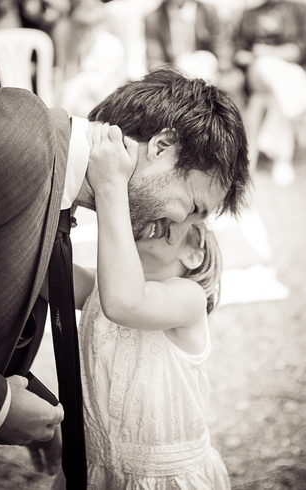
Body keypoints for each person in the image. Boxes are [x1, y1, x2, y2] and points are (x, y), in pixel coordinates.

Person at [0, 67, 250, 475]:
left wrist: (21, 397)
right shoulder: (18, 135)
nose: (183, 224)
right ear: (162, 147)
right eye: (194, 206)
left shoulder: (54, 190)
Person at [50, 122, 231, 489]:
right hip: (98, 469)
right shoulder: (102, 288)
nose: (163, 221)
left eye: (176, 223)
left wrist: (110, 188)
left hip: (164, 478)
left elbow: (127, 303)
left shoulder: (188, 298)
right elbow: (44, 277)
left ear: (196, 253)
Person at [232, 0, 306, 185]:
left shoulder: (297, 10)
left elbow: (300, 50)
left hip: (284, 78)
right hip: (258, 73)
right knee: (265, 65)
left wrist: (266, 52)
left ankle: (267, 158)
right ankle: (295, 115)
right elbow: (239, 54)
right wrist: (260, 57)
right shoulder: (248, 14)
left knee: (270, 95)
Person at [144, 0, 221, 82]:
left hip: (207, 70)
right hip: (173, 74)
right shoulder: (153, 18)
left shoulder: (207, 11)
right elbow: (154, 59)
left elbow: (220, 47)